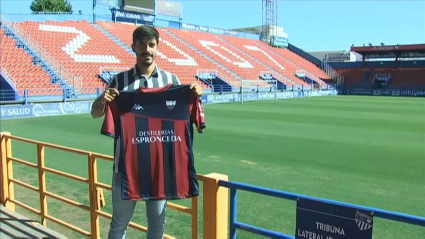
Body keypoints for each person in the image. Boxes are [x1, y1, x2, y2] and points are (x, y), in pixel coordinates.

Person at [91, 25, 203, 239]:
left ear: (157, 48)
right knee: (119, 225)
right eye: (141, 45)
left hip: (159, 168)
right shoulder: (119, 81)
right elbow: (95, 114)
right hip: (125, 167)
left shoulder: (172, 82)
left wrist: (194, 96)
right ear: (133, 47)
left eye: (151, 45)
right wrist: (102, 100)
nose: (146, 49)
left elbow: (185, 118)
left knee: (157, 224)